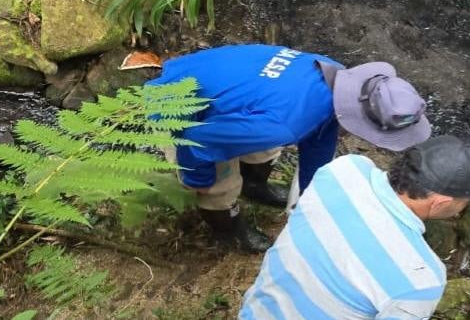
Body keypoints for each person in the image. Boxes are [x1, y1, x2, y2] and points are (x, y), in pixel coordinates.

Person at [147, 44, 433, 252]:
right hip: (178, 104)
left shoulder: (336, 77)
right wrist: (198, 181)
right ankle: (229, 232)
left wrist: (310, 196)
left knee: (265, 147)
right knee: (219, 186)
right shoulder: (285, 124)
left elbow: (321, 133)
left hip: (234, 90)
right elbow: (200, 142)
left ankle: (254, 187)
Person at [239, 135, 470, 319]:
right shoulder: (421, 279)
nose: (464, 208)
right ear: (439, 204)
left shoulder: (343, 170)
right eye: (467, 201)